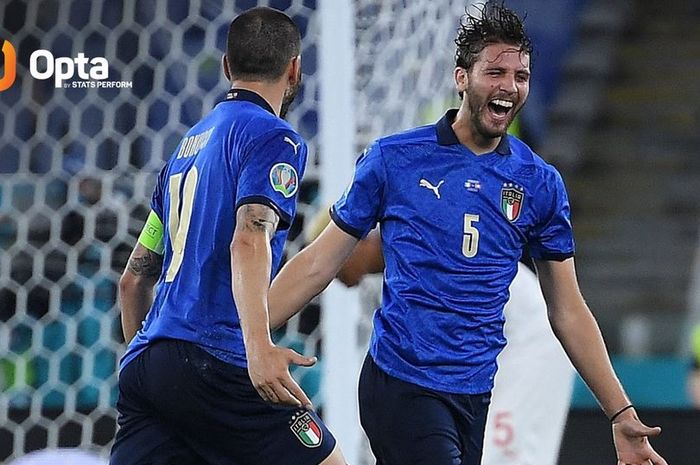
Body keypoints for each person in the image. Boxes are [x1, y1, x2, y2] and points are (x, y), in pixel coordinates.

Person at [266, 3, 668, 465]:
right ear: (462, 78)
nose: (510, 86)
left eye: (521, 76)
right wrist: (249, 339)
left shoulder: (539, 183)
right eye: (494, 72)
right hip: (401, 384)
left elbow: (568, 310)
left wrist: (620, 412)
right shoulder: (394, 159)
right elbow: (321, 261)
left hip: (474, 396)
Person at [111, 7, 345, 465]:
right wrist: (259, 349)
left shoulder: (184, 151)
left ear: (225, 66)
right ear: (295, 69)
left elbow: (133, 280)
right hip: (216, 360)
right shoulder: (276, 139)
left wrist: (145, 362)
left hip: (149, 364)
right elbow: (250, 234)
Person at [304, 210, 574, 465]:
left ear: (356, 240)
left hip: (529, 339)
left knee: (503, 455)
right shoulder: (403, 256)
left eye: (334, 258)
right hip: (492, 346)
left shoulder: (416, 247)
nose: (332, 276)